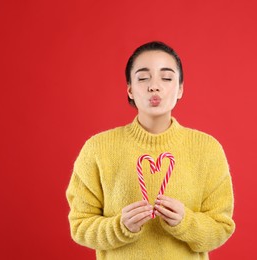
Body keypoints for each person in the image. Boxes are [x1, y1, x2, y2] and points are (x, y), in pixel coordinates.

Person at [66, 41, 235, 259]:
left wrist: (186, 222)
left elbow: (220, 228)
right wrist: (120, 227)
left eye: (166, 78)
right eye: (143, 78)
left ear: (180, 88)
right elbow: (80, 227)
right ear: (130, 89)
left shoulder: (208, 149)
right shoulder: (97, 149)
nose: (154, 86)